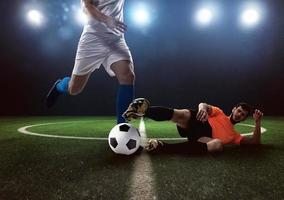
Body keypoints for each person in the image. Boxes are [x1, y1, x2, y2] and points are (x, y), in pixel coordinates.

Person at [46, 0, 135, 123]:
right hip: (93, 39)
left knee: (127, 75)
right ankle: (60, 85)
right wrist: (106, 19)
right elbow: (86, 6)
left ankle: (122, 126)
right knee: (74, 89)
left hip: (116, 39)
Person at [123, 98, 264, 154]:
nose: (239, 114)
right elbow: (204, 105)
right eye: (239, 111)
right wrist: (202, 109)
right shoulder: (219, 113)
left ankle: (161, 146)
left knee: (217, 145)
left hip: (203, 138)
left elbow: (255, 142)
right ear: (234, 109)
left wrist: (257, 122)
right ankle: (142, 111)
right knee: (183, 114)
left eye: (243, 115)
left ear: (244, 118)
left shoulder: (234, 136)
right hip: (199, 123)